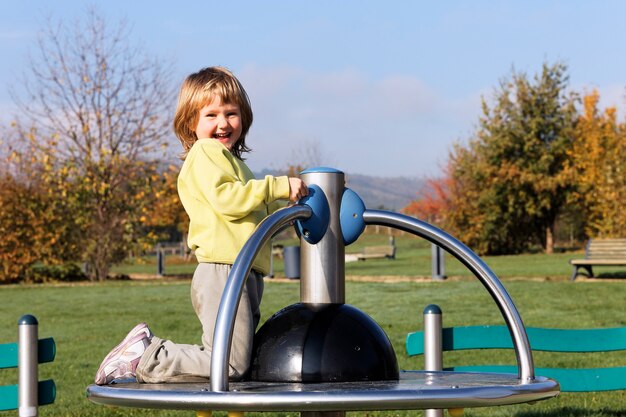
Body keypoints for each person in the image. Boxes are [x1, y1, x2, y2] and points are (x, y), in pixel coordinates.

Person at [95, 66, 308, 384]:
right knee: (230, 364)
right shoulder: (206, 152)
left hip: (242, 270)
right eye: (211, 114)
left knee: (233, 359)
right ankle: (147, 355)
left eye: (231, 113)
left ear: (243, 118)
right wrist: (277, 186)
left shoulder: (232, 163)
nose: (223, 123)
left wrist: (288, 206)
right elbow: (229, 200)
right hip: (223, 269)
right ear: (191, 123)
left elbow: (252, 210)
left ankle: (151, 356)